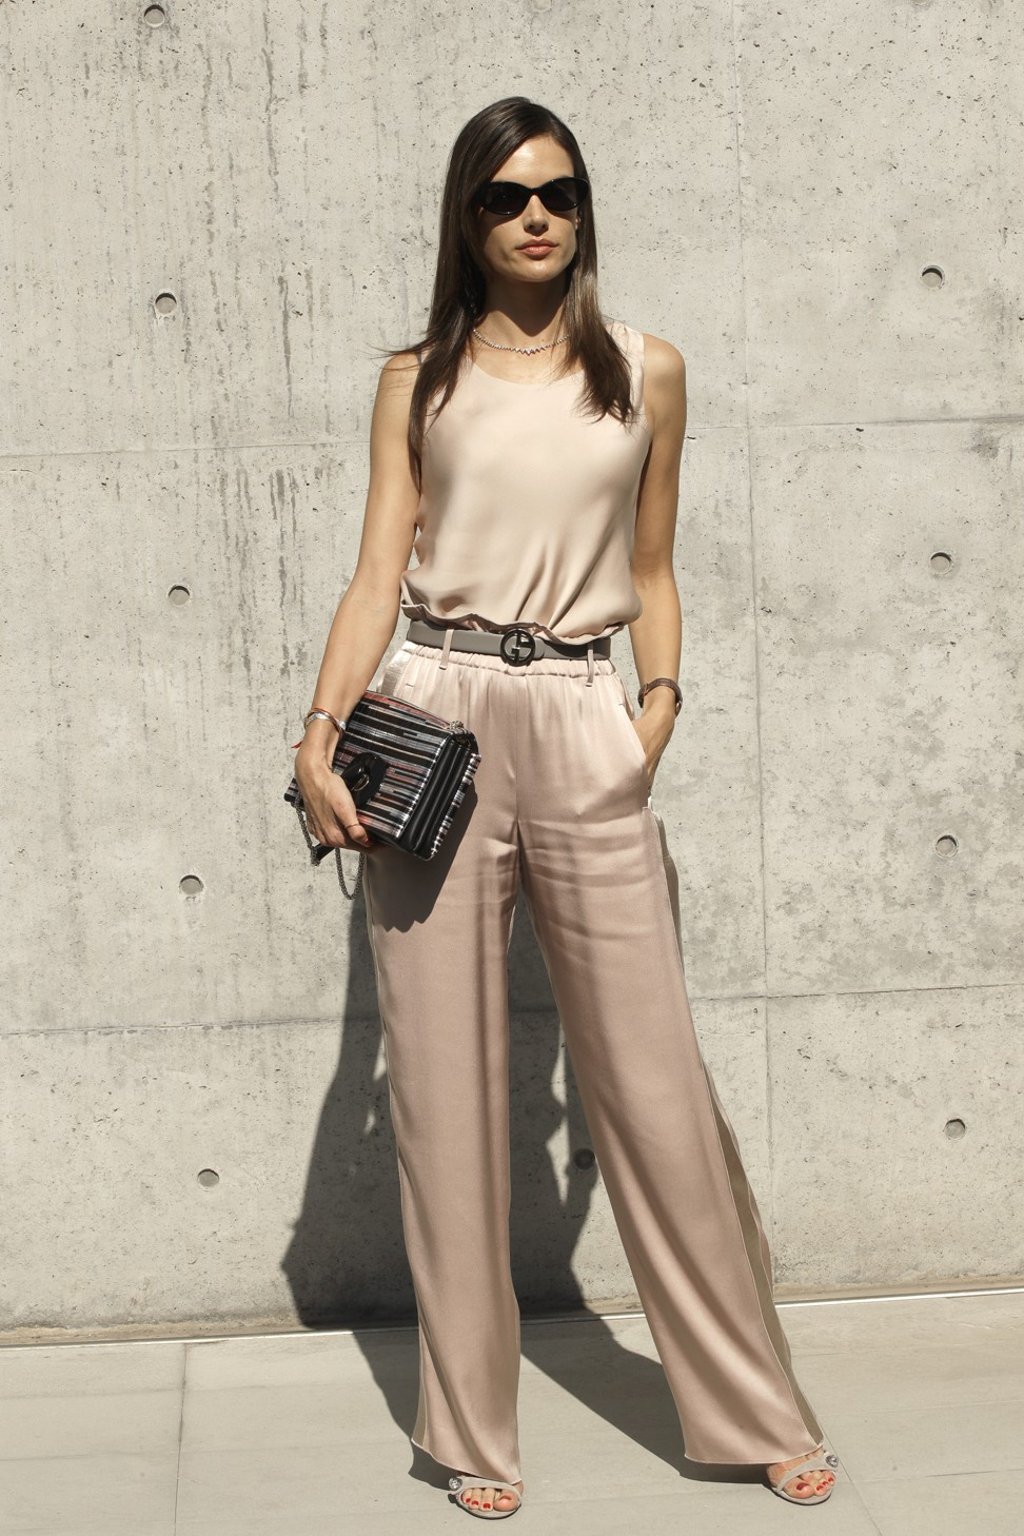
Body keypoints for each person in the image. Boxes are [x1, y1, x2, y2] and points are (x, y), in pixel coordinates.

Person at [292, 96, 839, 1520]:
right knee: (449, 1097)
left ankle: (752, 1407)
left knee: (655, 1088)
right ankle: (472, 1430)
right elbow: (373, 577)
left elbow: (652, 569)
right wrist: (318, 736)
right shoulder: (418, 379)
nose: (539, 215)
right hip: (430, 722)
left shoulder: (646, 372)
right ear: (466, 219)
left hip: (587, 718)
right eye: (507, 195)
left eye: (562, 192)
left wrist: (653, 711)